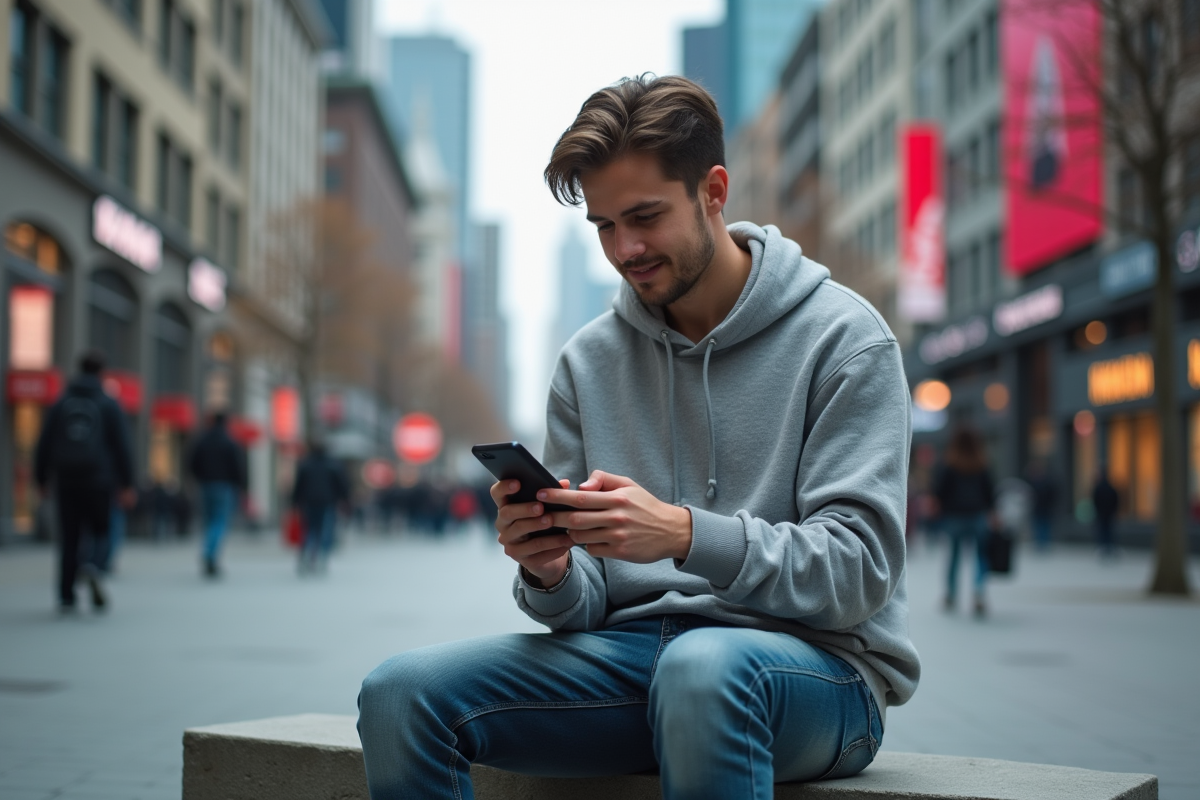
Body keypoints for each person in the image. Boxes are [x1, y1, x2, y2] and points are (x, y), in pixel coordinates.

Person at [357, 75, 918, 799]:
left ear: (713, 191)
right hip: (630, 664)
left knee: (703, 671)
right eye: (603, 226)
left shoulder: (845, 341)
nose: (625, 248)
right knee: (401, 693)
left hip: (818, 673)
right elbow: (582, 605)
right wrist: (549, 570)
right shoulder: (587, 362)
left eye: (645, 216)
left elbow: (859, 573)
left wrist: (685, 534)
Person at [34, 350, 136, 613]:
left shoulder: (62, 401)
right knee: (101, 529)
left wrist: (41, 478)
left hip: (66, 480)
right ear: (102, 372)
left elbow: (44, 443)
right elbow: (122, 446)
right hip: (99, 479)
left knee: (69, 537)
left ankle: (66, 595)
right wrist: (127, 483)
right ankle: (92, 565)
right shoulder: (108, 403)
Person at [933, 425, 996, 617]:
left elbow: (939, 491)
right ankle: (978, 593)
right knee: (980, 556)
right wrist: (992, 512)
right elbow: (989, 491)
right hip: (977, 515)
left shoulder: (949, 464)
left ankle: (951, 594)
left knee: (953, 557)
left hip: (953, 516)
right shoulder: (981, 463)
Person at [188, 411, 247, 578]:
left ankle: (209, 551)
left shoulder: (202, 440)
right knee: (219, 521)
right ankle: (210, 553)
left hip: (205, 485)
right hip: (225, 487)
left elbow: (191, 463)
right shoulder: (230, 442)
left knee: (209, 521)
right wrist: (241, 487)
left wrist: (199, 478)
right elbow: (238, 467)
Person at [290, 440, 349, 573]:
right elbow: (342, 486)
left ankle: (307, 555)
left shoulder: (305, 464)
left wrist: (294, 502)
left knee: (310, 529)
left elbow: (298, 486)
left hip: (308, 502)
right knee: (325, 530)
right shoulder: (333, 465)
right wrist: (345, 500)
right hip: (328, 502)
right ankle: (323, 557)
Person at [1025, 459, 1058, 551]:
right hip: (1037, 508)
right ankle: (1039, 543)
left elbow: (1053, 494)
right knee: (1038, 525)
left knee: (1044, 525)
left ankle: (1044, 544)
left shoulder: (1047, 482)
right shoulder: (1032, 482)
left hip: (1045, 508)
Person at [1092, 465, 1119, 559]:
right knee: (1108, 531)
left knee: (1102, 531)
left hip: (1101, 514)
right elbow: (1115, 500)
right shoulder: (1111, 487)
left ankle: (1103, 548)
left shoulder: (1098, 488)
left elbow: (1095, 500)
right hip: (1109, 514)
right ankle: (1109, 548)